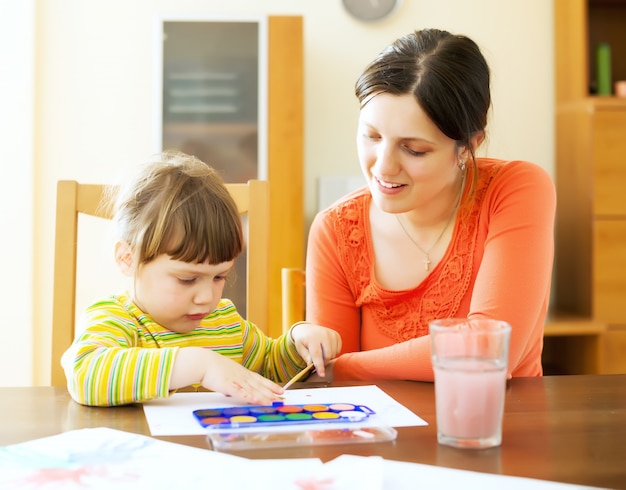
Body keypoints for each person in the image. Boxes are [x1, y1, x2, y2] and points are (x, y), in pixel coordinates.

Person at [305, 28, 555, 382]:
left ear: (469, 144)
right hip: (382, 434)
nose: (383, 166)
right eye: (372, 136)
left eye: (414, 149)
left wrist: (343, 365)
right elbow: (328, 379)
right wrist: (329, 364)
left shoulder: (515, 190)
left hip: (497, 428)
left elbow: (491, 351)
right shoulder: (335, 229)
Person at [62, 151, 341, 407]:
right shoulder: (115, 319)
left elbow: (268, 367)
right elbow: (86, 374)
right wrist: (197, 364)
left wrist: (298, 342)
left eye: (220, 276)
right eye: (187, 279)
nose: (207, 297)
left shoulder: (225, 323)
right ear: (128, 259)